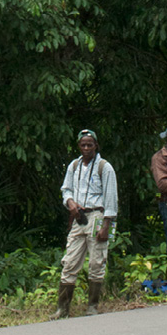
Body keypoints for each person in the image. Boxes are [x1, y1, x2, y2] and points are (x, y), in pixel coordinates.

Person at [51, 129, 118, 319]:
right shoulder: (74, 166)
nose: (86, 148)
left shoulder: (105, 167)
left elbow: (111, 198)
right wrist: (70, 204)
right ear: (79, 146)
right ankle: (62, 309)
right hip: (78, 217)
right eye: (83, 144)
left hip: (99, 215)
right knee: (69, 262)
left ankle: (93, 306)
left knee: (97, 261)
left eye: (90, 144)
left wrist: (107, 226)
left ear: (96, 146)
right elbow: (66, 189)